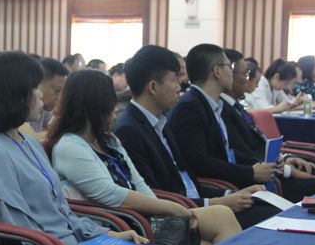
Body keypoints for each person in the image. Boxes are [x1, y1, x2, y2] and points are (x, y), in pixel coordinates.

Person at [0, 51, 184, 245]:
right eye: (34, 88)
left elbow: (61, 212)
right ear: (14, 94)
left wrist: (106, 235)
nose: (40, 94)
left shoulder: (28, 142)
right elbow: (18, 235)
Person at [48, 69, 242, 245]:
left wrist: (165, 212)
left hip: (140, 217)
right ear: (95, 105)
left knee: (222, 215)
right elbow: (112, 195)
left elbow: (138, 183)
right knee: (210, 239)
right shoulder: (70, 146)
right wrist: (172, 209)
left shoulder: (108, 140)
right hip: (120, 226)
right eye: (110, 104)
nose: (115, 111)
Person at [113, 45, 279, 229]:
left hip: (195, 203)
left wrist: (229, 195)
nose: (179, 87)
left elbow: (186, 180)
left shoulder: (159, 121)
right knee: (269, 218)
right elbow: (154, 197)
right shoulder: (130, 130)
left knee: (270, 209)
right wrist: (216, 202)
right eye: (174, 80)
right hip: (178, 216)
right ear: (153, 87)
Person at [221, 49, 315, 191]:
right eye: (245, 74)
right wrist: (287, 170)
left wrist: (286, 158)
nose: (248, 80)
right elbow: (243, 155)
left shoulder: (235, 107)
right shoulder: (222, 111)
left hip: (279, 167)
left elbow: (260, 144)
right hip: (271, 178)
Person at [20, 58, 69, 139]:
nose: (60, 98)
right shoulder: (20, 109)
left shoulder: (45, 109)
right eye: (57, 90)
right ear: (37, 83)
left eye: (63, 92)